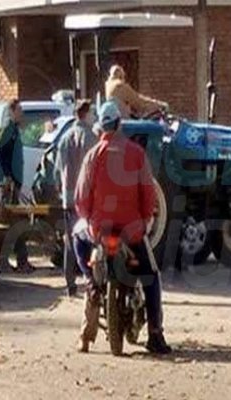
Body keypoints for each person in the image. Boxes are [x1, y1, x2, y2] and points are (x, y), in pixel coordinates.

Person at [75, 101, 171, 354]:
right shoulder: (137, 154)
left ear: (100, 129)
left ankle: (91, 286)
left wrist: (90, 220)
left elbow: (81, 200)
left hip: (100, 231)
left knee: (82, 254)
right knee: (151, 277)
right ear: (119, 124)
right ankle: (155, 334)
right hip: (132, 232)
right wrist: (144, 220)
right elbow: (148, 195)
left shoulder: (92, 156)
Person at [54, 100, 98, 297]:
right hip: (86, 199)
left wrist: (61, 191)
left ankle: (70, 283)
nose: (94, 117)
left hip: (67, 198)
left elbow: (56, 171)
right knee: (91, 238)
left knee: (70, 242)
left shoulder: (64, 138)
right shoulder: (91, 137)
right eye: (92, 113)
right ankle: (91, 279)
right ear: (86, 114)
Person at [0, 100, 35, 274]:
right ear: (12, 111)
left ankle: (19, 261)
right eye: (19, 110)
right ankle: (12, 261)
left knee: (15, 223)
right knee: (14, 224)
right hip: (9, 185)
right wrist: (5, 176)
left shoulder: (14, 130)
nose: (21, 113)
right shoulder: (8, 130)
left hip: (14, 183)